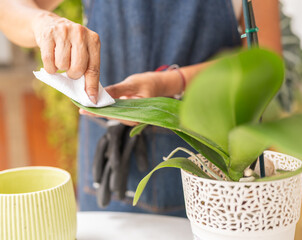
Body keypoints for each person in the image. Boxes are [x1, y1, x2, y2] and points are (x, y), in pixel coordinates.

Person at [0, 0, 282, 217]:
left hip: (214, 169)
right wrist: (43, 22)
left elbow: (266, 61)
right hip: (110, 167)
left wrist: (170, 82)